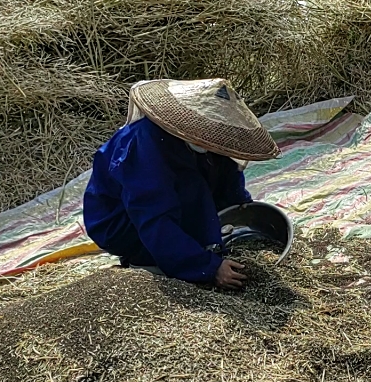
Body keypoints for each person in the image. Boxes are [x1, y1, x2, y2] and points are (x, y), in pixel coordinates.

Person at [83, 78, 280, 289]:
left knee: (200, 183)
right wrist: (208, 267)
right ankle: (153, 261)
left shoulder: (212, 145)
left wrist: (243, 211)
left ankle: (189, 248)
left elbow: (227, 181)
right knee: (187, 193)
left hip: (170, 200)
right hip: (122, 221)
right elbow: (153, 218)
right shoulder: (144, 146)